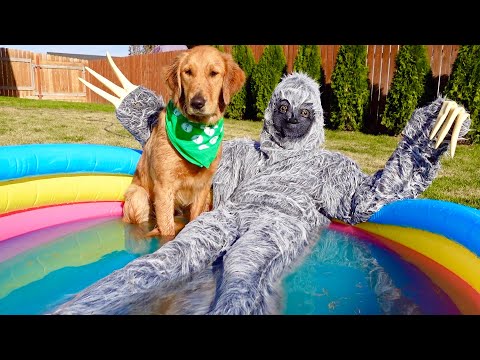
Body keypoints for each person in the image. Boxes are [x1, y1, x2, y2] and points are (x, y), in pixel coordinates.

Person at [52, 57, 470, 315]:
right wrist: (143, 108)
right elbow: (179, 152)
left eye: (303, 111)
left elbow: (366, 199)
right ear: (271, 112)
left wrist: (423, 144)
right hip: (229, 216)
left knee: (242, 274)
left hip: (281, 225)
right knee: (166, 258)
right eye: (283, 108)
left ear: (316, 119)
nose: (291, 118)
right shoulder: (241, 152)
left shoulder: (330, 165)